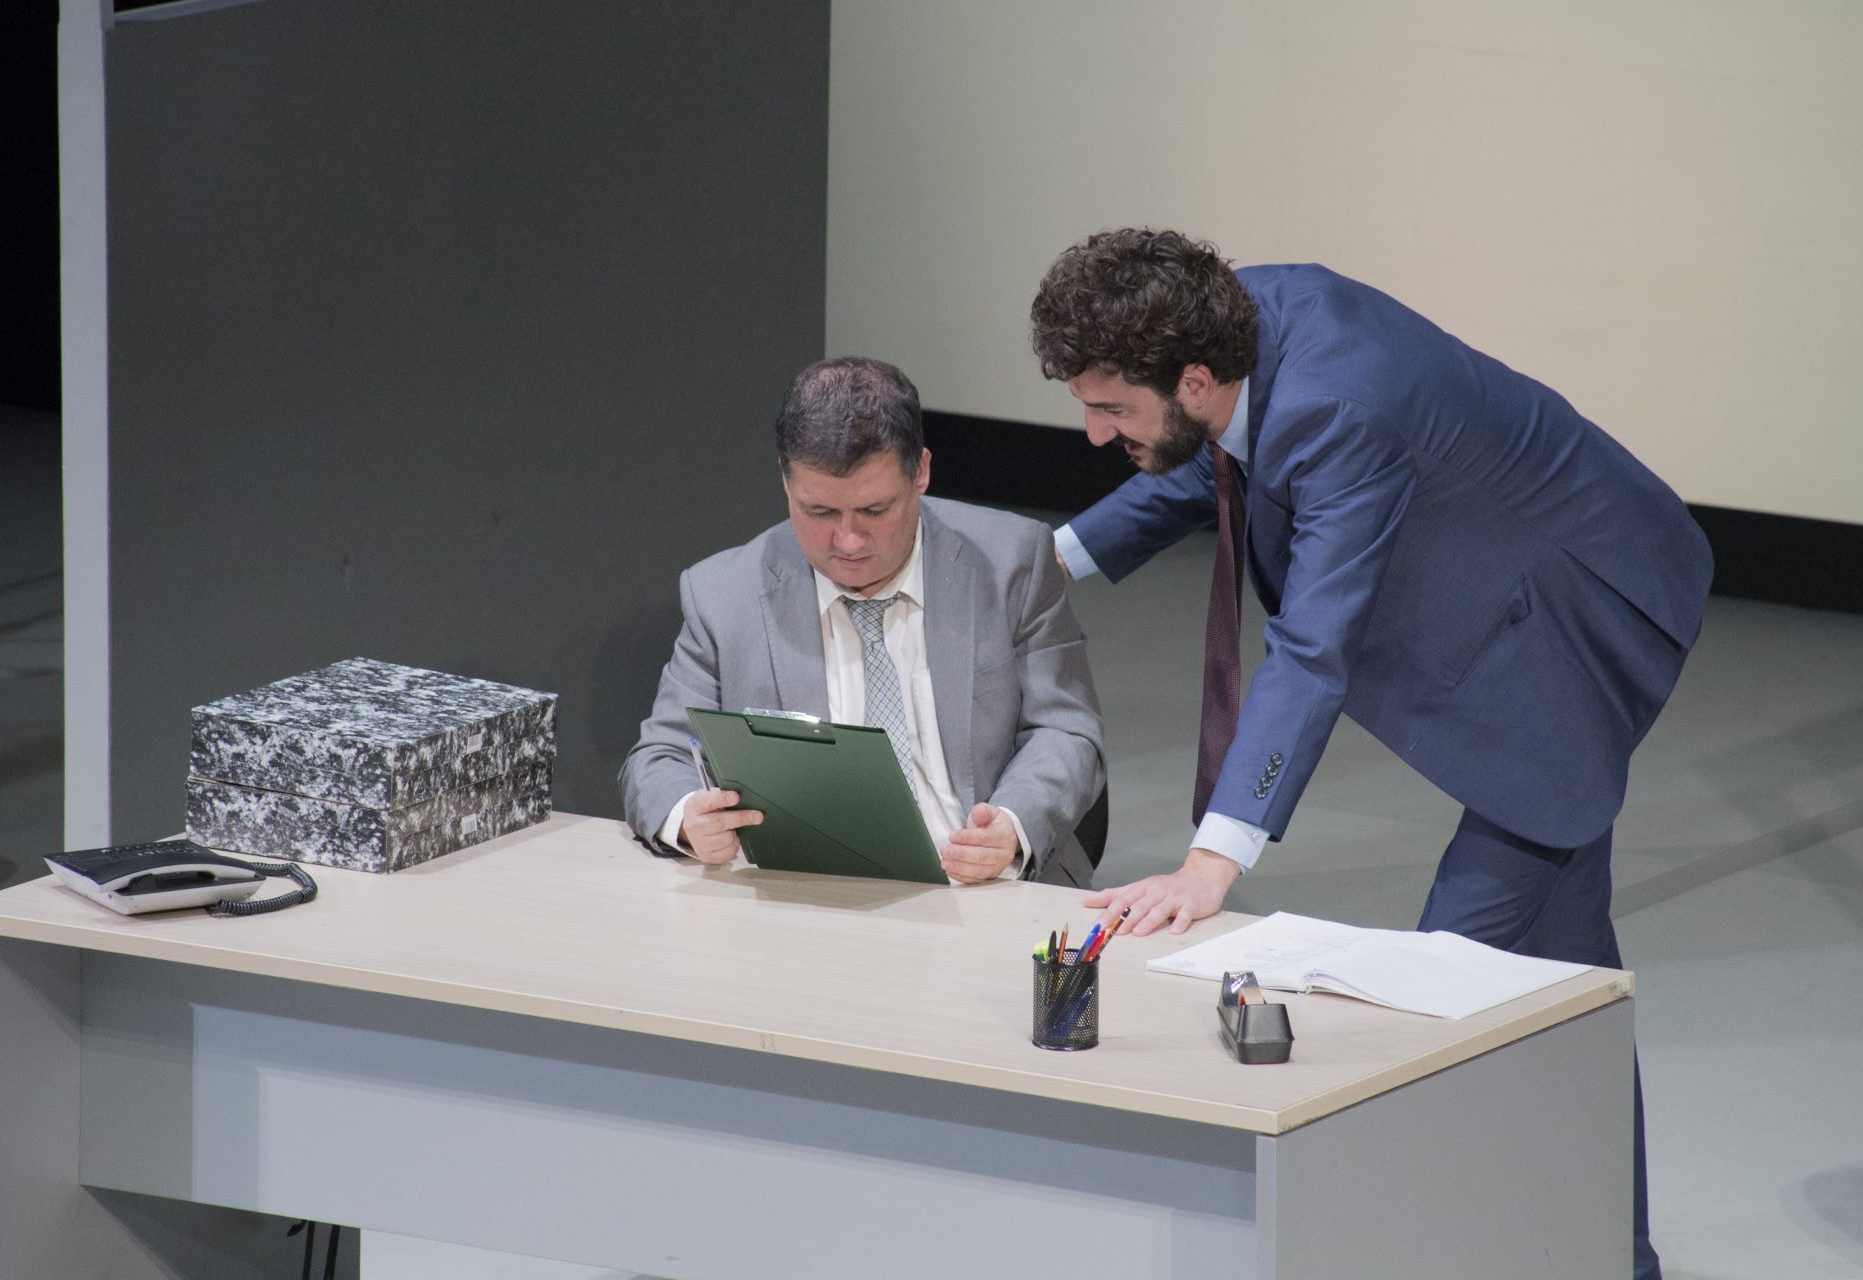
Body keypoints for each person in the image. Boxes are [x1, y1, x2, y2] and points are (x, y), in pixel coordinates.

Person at [1030, 229, 1711, 1280]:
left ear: (1194, 378)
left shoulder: (1337, 405)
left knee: (1434, 998)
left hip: (1580, 621)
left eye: (1110, 408)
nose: (1093, 431)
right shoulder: (1226, 317)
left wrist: (1214, 859)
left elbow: (1314, 646)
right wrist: (1040, 565)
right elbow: (1205, 458)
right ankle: (1622, 1260)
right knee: (1567, 977)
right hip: (1520, 583)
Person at [621, 356, 1105, 887]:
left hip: (984, 884)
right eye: (820, 512)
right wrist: (687, 817)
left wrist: (1012, 825)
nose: (848, 541)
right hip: (807, 893)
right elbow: (659, 758)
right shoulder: (724, 594)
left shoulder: (1012, 563)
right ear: (785, 482)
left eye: (874, 511)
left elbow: (1065, 729)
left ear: (921, 472)